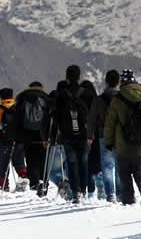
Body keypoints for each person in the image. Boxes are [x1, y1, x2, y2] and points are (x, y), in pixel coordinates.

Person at [103, 70, 141, 205]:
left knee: (124, 173)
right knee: (139, 168)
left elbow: (110, 123)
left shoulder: (117, 99)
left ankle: (128, 200)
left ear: (122, 82)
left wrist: (108, 141)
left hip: (122, 144)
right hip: (140, 143)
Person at [45, 65, 90, 203]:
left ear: (67, 77)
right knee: (83, 162)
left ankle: (76, 192)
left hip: (67, 135)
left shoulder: (61, 94)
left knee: (72, 163)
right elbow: (93, 115)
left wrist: (53, 136)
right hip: (83, 134)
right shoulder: (87, 93)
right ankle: (83, 190)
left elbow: (55, 115)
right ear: (79, 76)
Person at [0, 88, 27, 191]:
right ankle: (23, 182)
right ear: (12, 96)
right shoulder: (19, 108)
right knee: (20, 165)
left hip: (3, 143)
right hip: (18, 142)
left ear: (1, 97)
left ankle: (5, 187)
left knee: (3, 167)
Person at [88, 69, 121, 202]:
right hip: (120, 136)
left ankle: (110, 194)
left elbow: (91, 119)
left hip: (103, 135)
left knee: (107, 166)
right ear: (118, 82)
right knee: (119, 166)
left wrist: (90, 136)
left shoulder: (99, 99)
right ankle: (120, 194)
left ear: (106, 82)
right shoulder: (122, 98)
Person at [11, 81, 50, 190]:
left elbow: (16, 120)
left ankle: (34, 183)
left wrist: (17, 137)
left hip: (27, 136)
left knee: (31, 160)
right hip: (43, 136)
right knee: (43, 160)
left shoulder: (22, 99)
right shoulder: (46, 99)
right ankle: (44, 183)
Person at [80, 80, 104, 199]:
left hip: (83, 135)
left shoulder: (79, 99)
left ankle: (90, 189)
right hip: (98, 134)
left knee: (87, 163)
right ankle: (101, 184)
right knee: (98, 161)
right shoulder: (97, 100)